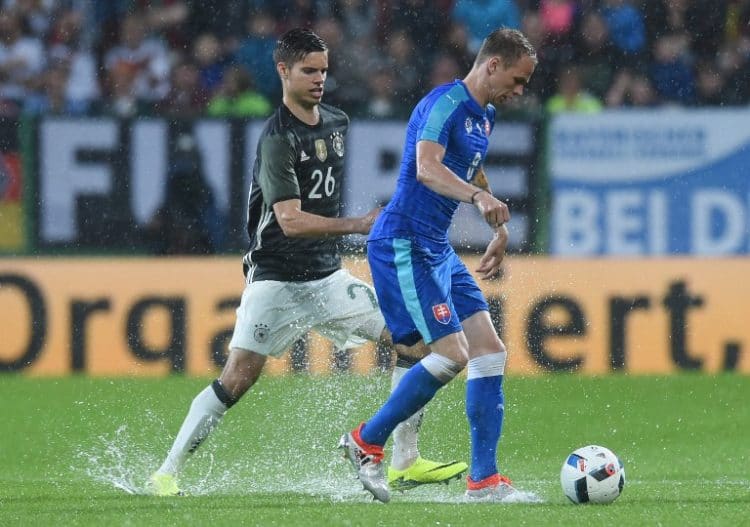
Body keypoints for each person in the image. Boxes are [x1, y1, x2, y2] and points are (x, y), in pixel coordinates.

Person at [148, 28, 466, 497]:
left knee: (413, 341)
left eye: (323, 70)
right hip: (275, 278)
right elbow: (291, 221)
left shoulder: (336, 121)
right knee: (237, 377)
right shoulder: (277, 139)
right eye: (308, 71)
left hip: (327, 277)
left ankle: (404, 460)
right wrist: (360, 224)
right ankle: (167, 472)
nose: (319, 79)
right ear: (283, 71)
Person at [339, 28, 537, 503]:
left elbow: (471, 167)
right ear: (492, 65)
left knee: (490, 351)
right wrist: (478, 196)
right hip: (403, 242)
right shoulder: (444, 104)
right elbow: (427, 167)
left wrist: (499, 225)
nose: (520, 91)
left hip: (436, 248)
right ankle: (366, 439)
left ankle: (484, 481)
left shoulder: (483, 115)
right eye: (518, 79)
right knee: (451, 355)